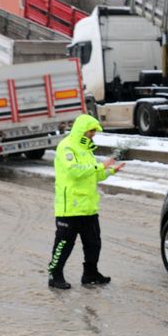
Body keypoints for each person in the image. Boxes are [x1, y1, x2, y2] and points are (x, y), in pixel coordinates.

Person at [47, 114, 125, 289]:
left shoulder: (86, 149)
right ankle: (55, 275)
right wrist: (101, 166)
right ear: (82, 130)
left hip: (88, 208)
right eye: (91, 130)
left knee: (94, 244)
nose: (93, 134)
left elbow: (93, 174)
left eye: (94, 131)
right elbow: (75, 171)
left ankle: (90, 274)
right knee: (64, 245)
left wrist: (111, 171)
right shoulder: (66, 146)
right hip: (70, 208)